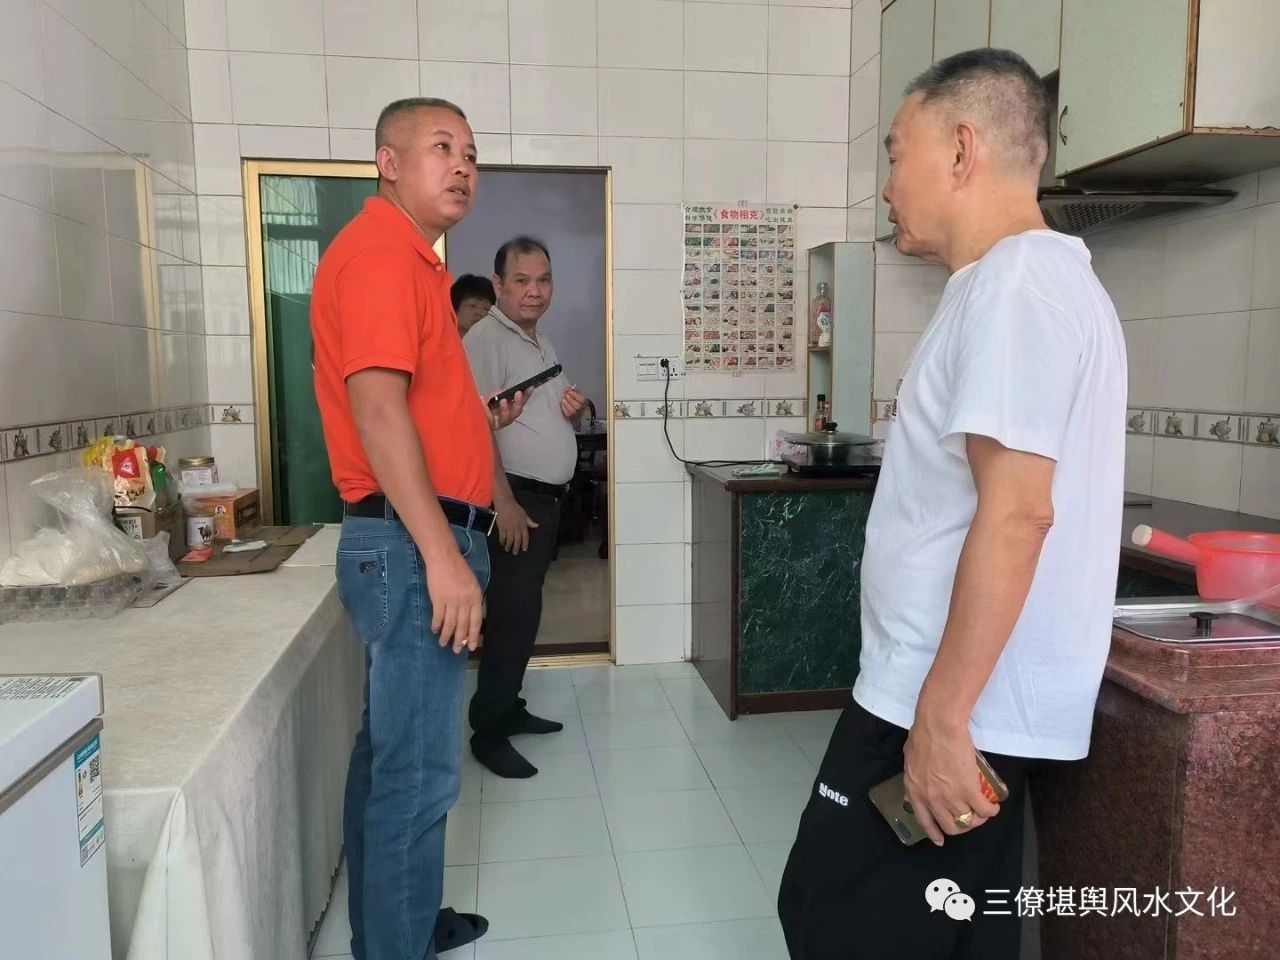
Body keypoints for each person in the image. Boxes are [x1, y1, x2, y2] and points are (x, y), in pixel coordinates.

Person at [777, 48, 1126, 960]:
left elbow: (1017, 513)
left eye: (897, 154)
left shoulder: (1018, 284)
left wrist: (941, 717)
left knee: (831, 918)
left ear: (962, 149)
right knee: (939, 932)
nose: (888, 184)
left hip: (943, 706)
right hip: (956, 700)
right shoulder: (1018, 283)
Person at [310, 97, 527, 960]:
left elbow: (411, 406)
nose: (463, 165)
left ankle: (393, 929)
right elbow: (376, 410)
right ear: (388, 163)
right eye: (442, 147)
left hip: (408, 539)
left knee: (389, 758)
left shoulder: (412, 261)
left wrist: (476, 429)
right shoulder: (379, 255)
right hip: (411, 545)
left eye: (471, 151)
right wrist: (444, 556)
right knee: (419, 775)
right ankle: (395, 943)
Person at [463, 236, 588, 779]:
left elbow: (550, 415)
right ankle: (488, 732)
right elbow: (473, 427)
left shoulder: (542, 342)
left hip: (545, 499)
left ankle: (508, 707)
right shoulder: (486, 339)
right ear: (498, 285)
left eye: (543, 280)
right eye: (522, 281)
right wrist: (504, 501)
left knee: (525, 612)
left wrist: (573, 411)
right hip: (515, 499)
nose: (535, 291)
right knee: (511, 617)